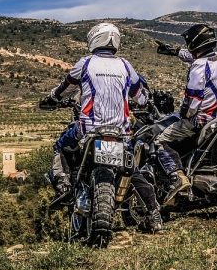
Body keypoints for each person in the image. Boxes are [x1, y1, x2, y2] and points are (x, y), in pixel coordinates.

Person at [40, 22, 161, 230]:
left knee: (61, 146)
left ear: (94, 39)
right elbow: (140, 98)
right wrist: (142, 102)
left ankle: (63, 185)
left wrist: (51, 98)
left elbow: (65, 88)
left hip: (88, 130)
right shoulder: (125, 65)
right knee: (133, 169)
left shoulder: (85, 63)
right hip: (120, 132)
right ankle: (154, 214)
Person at [154, 24, 217, 205]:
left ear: (194, 43)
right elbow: (196, 57)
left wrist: (183, 113)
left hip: (202, 121)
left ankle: (177, 178)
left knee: (160, 141)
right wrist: (175, 52)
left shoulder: (199, 67)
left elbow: (192, 102)